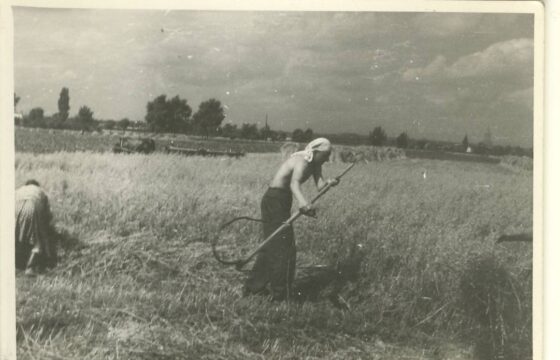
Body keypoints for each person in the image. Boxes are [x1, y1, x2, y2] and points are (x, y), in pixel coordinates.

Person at [244, 138, 338, 300]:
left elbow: (320, 185)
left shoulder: (315, 164)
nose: (327, 159)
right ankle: (280, 295)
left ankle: (253, 287)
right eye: (325, 155)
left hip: (283, 200)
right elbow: (294, 184)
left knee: (273, 244)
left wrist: (330, 182)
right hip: (274, 199)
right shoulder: (301, 160)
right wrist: (303, 204)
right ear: (316, 151)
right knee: (282, 248)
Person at [15, 179, 56, 276]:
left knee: (15, 234)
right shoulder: (40, 192)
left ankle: (15, 264)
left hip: (15, 207)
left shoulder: (19, 190)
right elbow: (47, 215)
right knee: (38, 239)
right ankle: (30, 268)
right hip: (32, 206)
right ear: (37, 185)